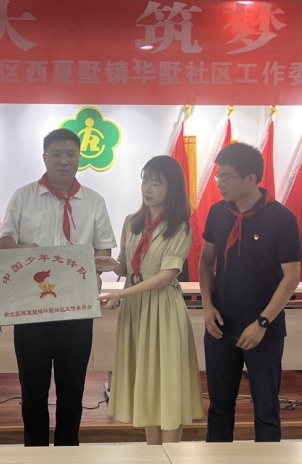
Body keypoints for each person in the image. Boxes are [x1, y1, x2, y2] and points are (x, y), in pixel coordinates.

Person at [0, 127, 117, 446]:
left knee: (72, 390)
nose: (64, 161)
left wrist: (95, 264)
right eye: (57, 154)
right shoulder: (23, 196)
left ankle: (68, 451)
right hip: (31, 310)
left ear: (79, 158)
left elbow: (103, 249)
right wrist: (24, 250)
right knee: (32, 391)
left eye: (71, 155)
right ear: (45, 158)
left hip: (76, 310)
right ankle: (35, 452)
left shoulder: (93, 201)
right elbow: (4, 241)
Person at [96, 155, 204, 444]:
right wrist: (112, 266)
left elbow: (166, 276)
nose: (148, 188)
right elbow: (128, 268)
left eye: (156, 183)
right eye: (145, 181)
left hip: (163, 310)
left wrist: (121, 293)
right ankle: (153, 451)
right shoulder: (132, 222)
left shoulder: (180, 226)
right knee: (146, 380)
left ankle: (170, 453)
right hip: (136, 310)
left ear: (172, 188)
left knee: (167, 380)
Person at [199, 142, 301, 442]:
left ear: (251, 178)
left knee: (266, 408)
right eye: (218, 176)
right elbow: (205, 262)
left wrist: (262, 322)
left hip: (263, 329)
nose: (220, 183)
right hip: (220, 326)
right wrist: (207, 306)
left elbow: (291, 277)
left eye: (226, 177)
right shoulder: (218, 212)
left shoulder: (281, 218)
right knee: (219, 406)